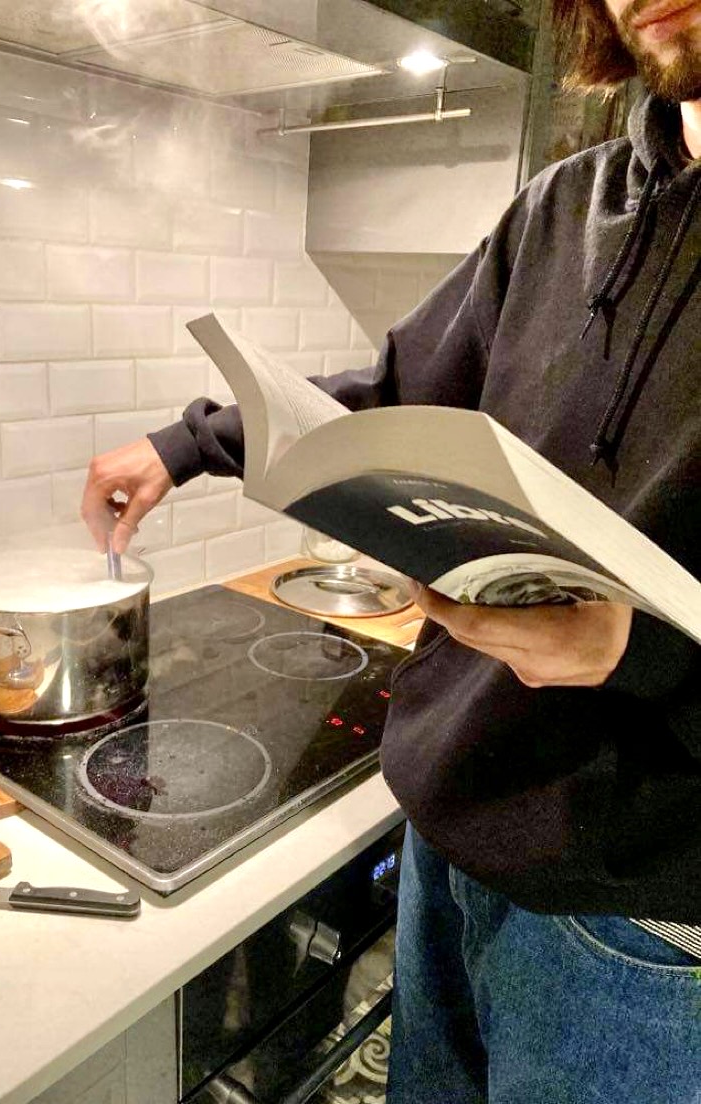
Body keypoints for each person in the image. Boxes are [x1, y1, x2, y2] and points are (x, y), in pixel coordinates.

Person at [83, 0, 700, 1098]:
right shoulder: (565, 206)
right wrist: (191, 445)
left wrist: (635, 649)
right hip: (448, 841)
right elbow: (401, 398)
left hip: (641, 925)